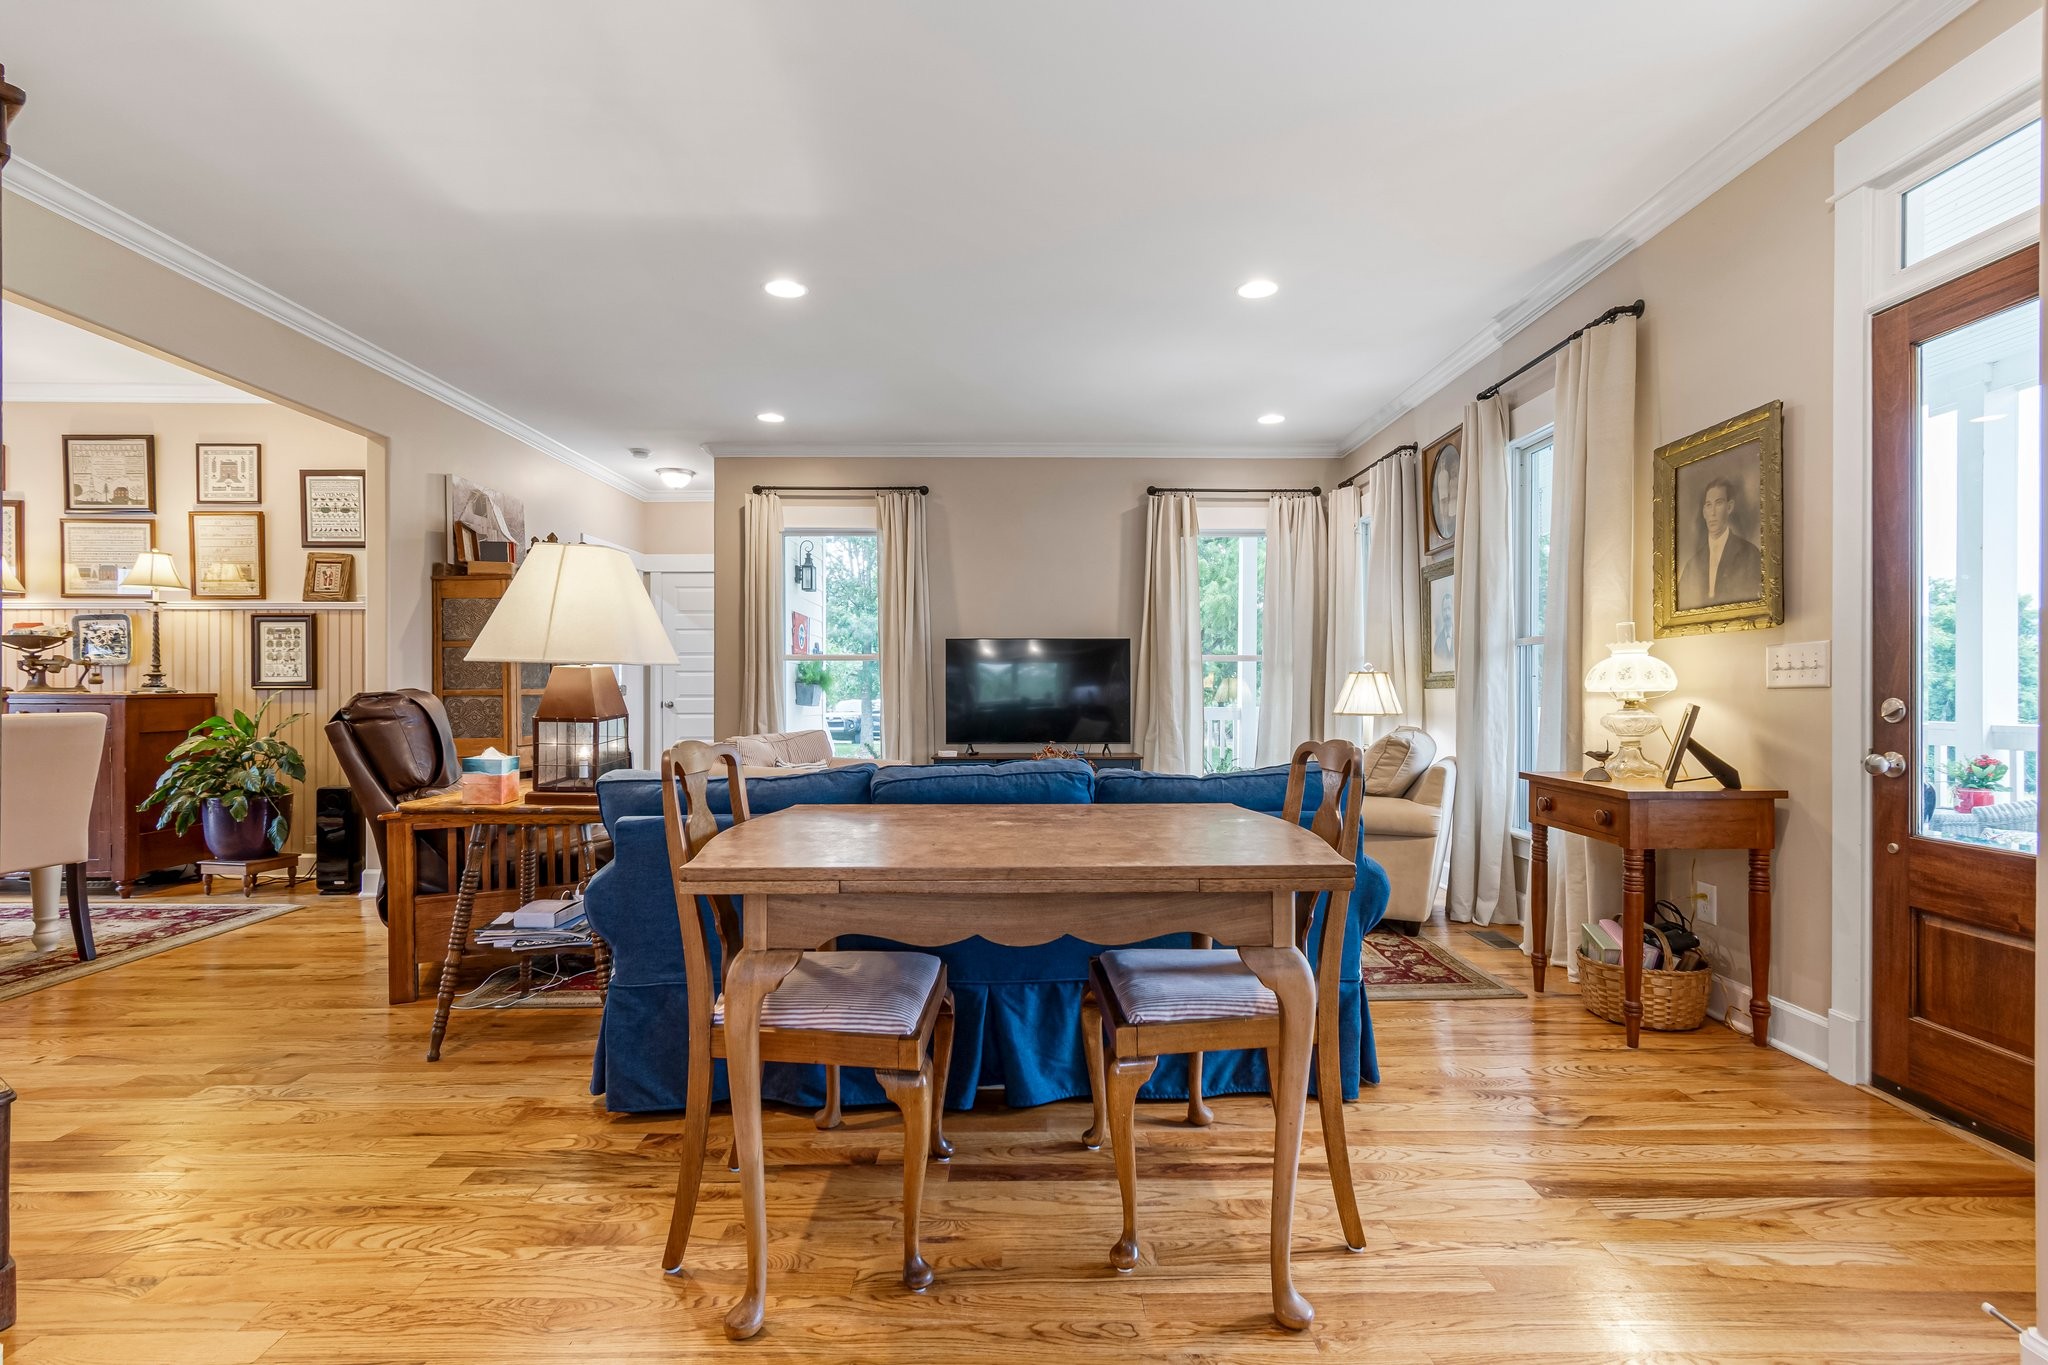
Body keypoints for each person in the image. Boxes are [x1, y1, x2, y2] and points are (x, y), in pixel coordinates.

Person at [1677, 475, 1761, 607]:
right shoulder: (1692, 565)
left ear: (1729, 507)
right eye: (1709, 505)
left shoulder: (1750, 555)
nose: (1713, 513)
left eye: (1719, 503)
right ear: (1704, 512)